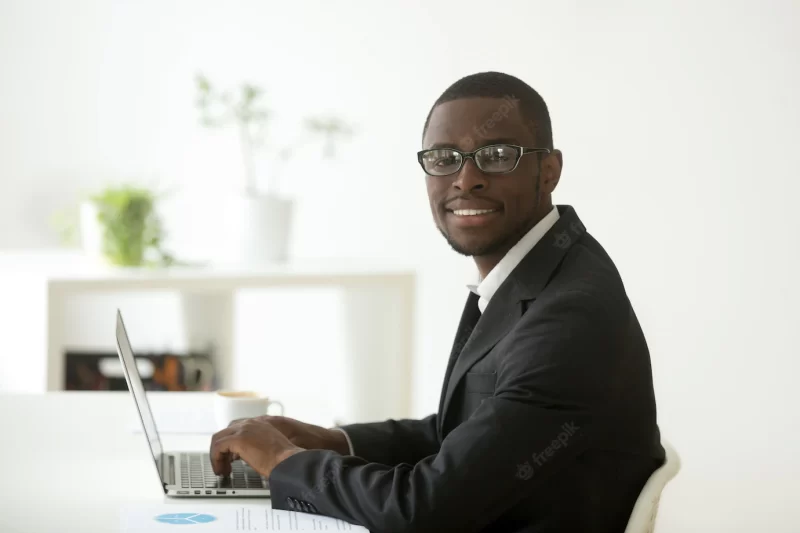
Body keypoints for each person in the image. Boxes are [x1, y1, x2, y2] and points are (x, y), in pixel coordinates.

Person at [209, 71, 665, 532]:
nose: (466, 180)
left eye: (497, 156)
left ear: (549, 170)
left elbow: (425, 509)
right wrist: (334, 441)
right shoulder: (535, 274)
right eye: (444, 158)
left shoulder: (571, 316)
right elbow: (458, 436)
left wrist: (285, 462)